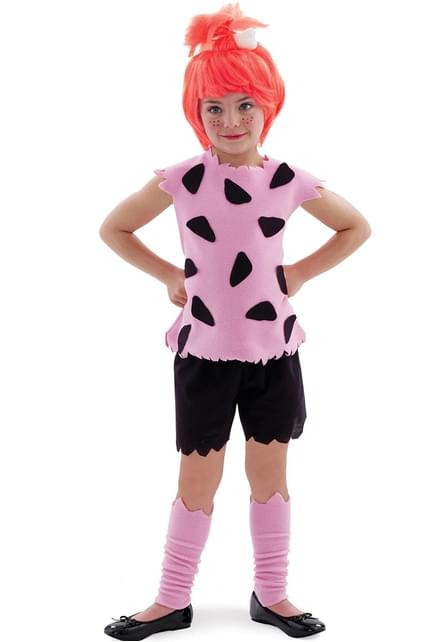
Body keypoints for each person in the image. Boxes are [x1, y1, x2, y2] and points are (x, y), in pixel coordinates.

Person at [100, 2, 371, 639]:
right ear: (195, 112)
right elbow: (114, 228)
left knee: (269, 475)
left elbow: (355, 227)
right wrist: (169, 276)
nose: (229, 120)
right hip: (203, 352)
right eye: (214, 107)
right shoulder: (180, 179)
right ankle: (172, 598)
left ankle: (272, 594)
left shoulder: (289, 179)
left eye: (244, 105)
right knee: (197, 476)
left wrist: (299, 274)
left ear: (268, 105)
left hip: (273, 351)